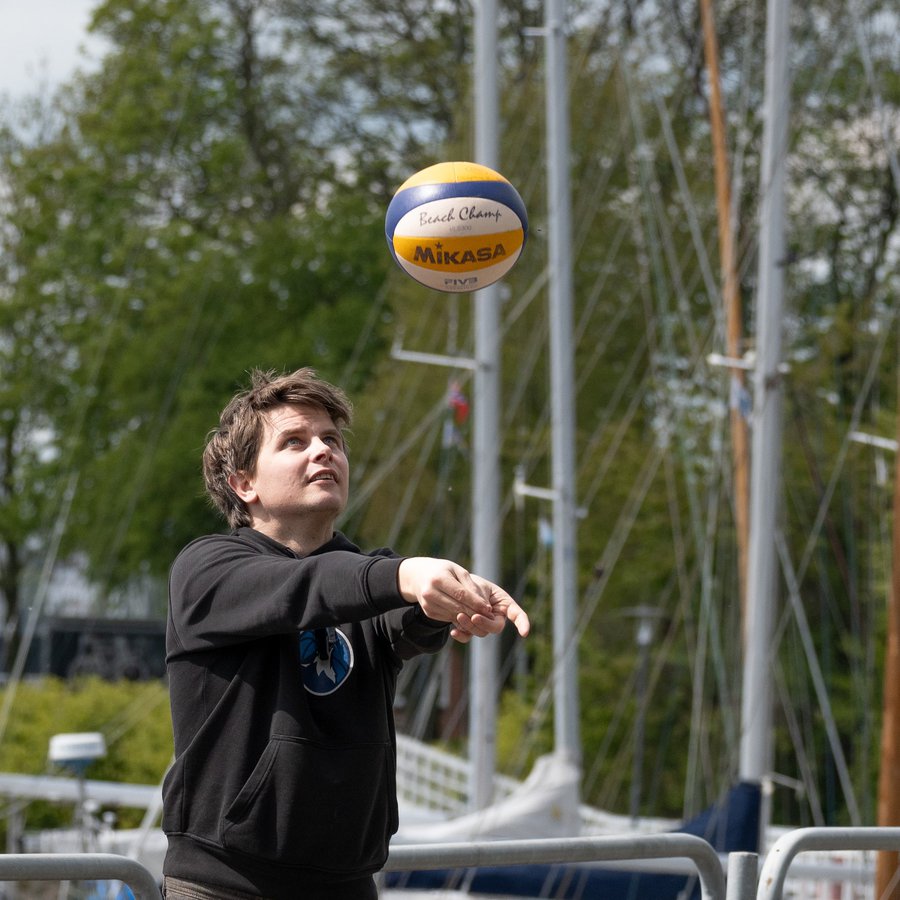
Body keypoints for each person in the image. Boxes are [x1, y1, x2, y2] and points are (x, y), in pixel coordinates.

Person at [161, 367, 530, 900]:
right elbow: (304, 588)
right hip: (226, 885)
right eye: (295, 441)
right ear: (244, 483)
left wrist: (448, 600)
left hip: (349, 884)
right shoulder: (209, 569)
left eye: (332, 440)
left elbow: (397, 617)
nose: (323, 451)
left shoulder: (364, 578)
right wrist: (404, 576)